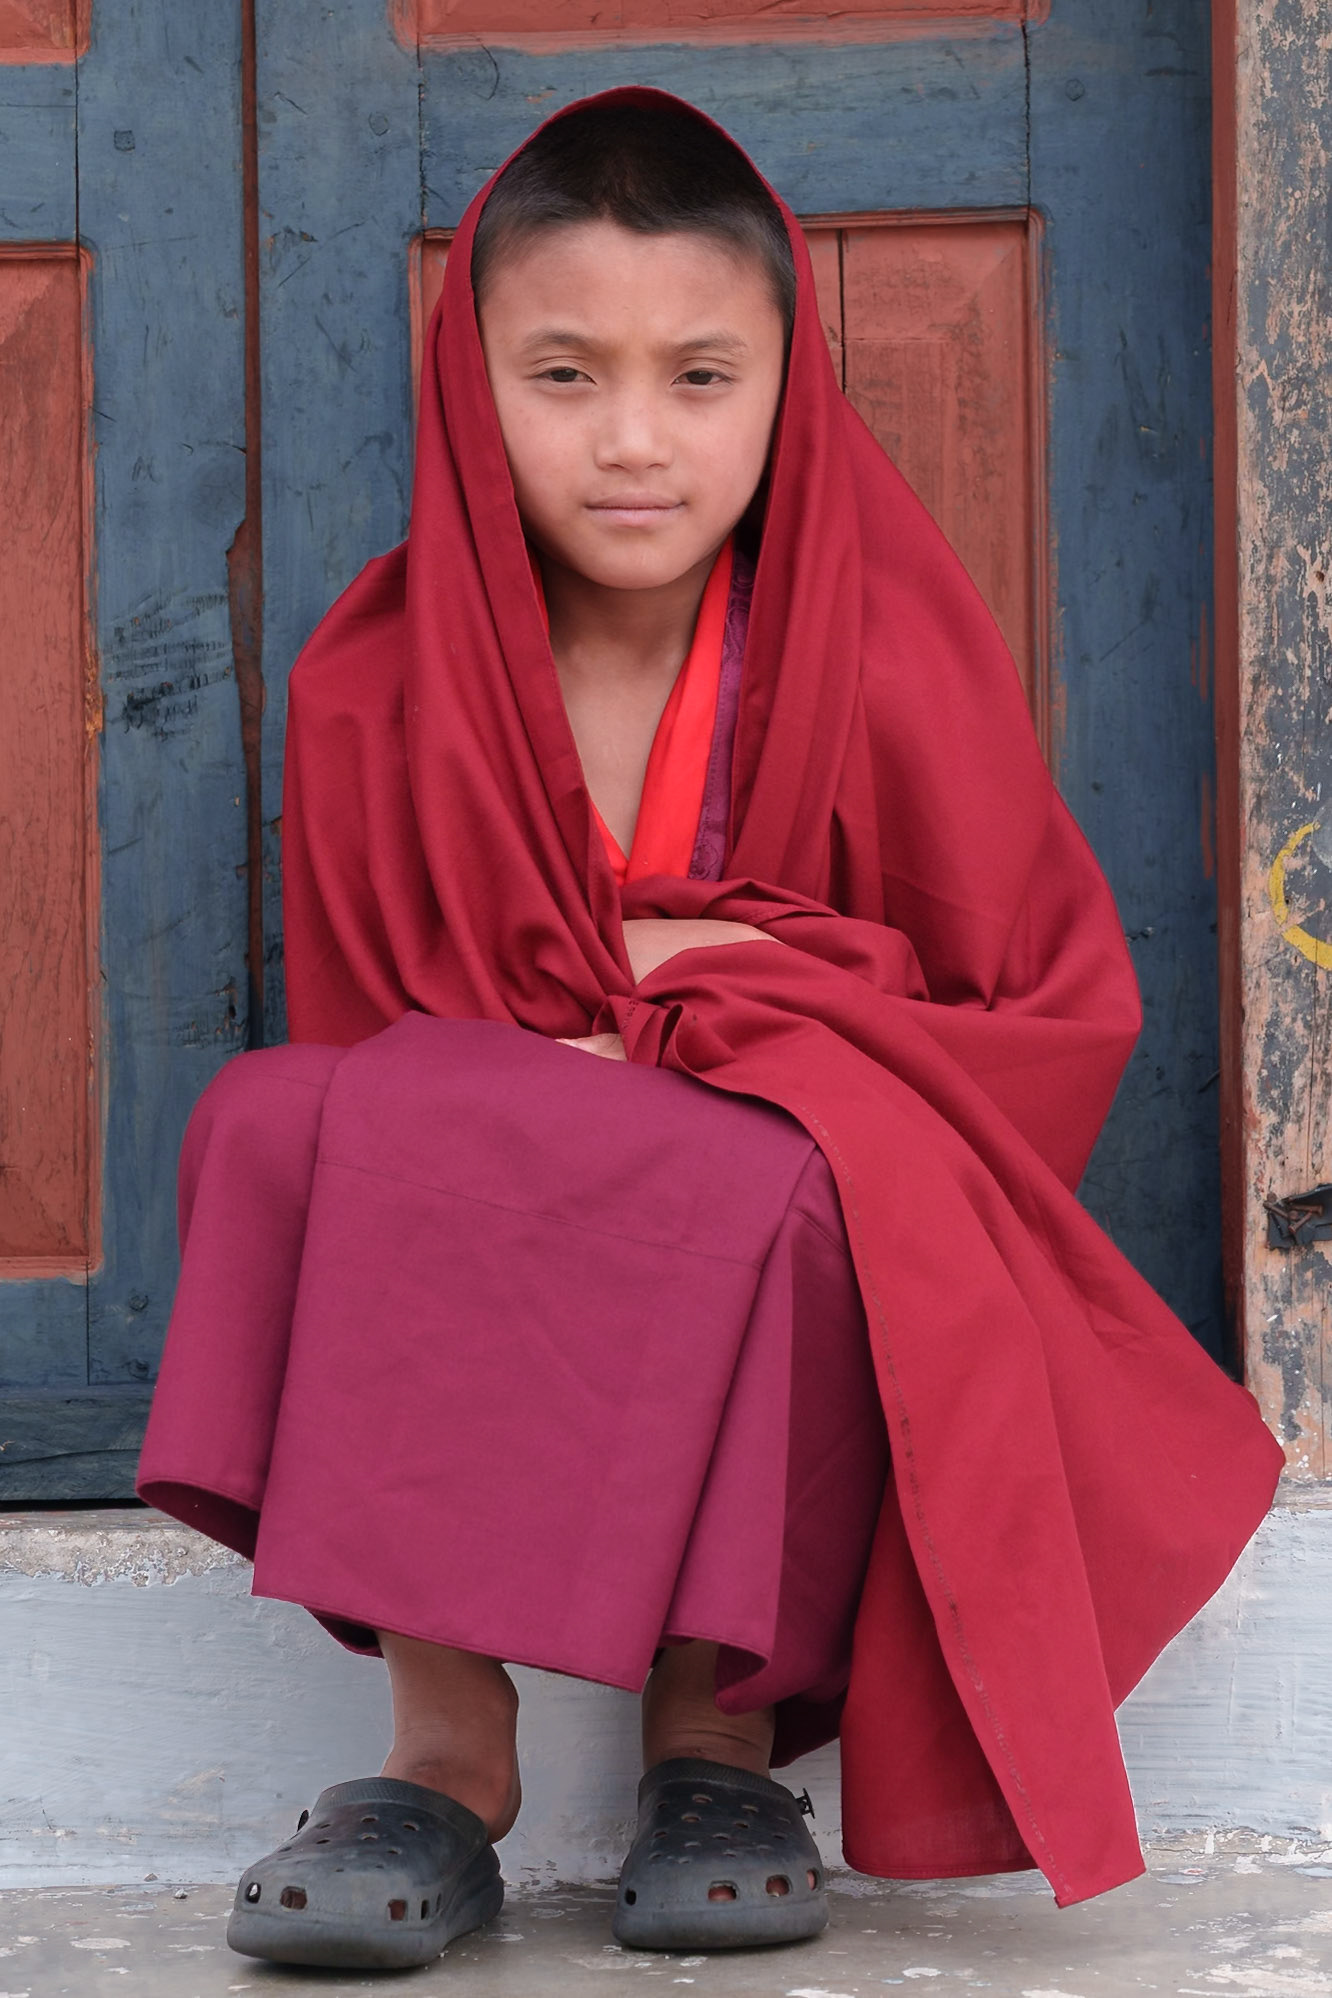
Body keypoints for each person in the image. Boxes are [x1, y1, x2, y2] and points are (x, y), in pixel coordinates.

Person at [137, 89, 1283, 1975]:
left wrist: (709, 993)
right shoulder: (381, 675)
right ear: (470, 386)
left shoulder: (885, 645)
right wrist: (601, 1023)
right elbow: (382, 1037)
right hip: (508, 1164)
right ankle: (447, 1743)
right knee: (281, 1126)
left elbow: (1042, 1013)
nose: (635, 442)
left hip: (768, 1179)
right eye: (565, 374)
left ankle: (716, 1731)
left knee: (822, 1191)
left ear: (787, 385)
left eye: (700, 375)